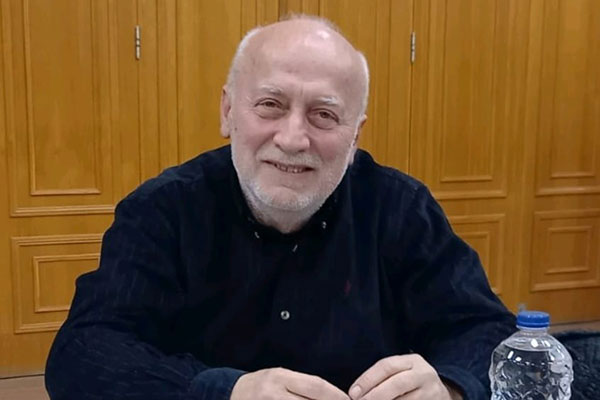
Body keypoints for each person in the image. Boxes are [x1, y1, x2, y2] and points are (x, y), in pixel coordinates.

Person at [45, 15, 516, 400]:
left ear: (355, 136)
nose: (293, 139)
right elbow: (83, 353)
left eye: (324, 115)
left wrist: (451, 386)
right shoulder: (163, 211)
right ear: (228, 112)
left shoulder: (401, 209)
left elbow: (487, 330)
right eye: (270, 104)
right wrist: (225, 392)